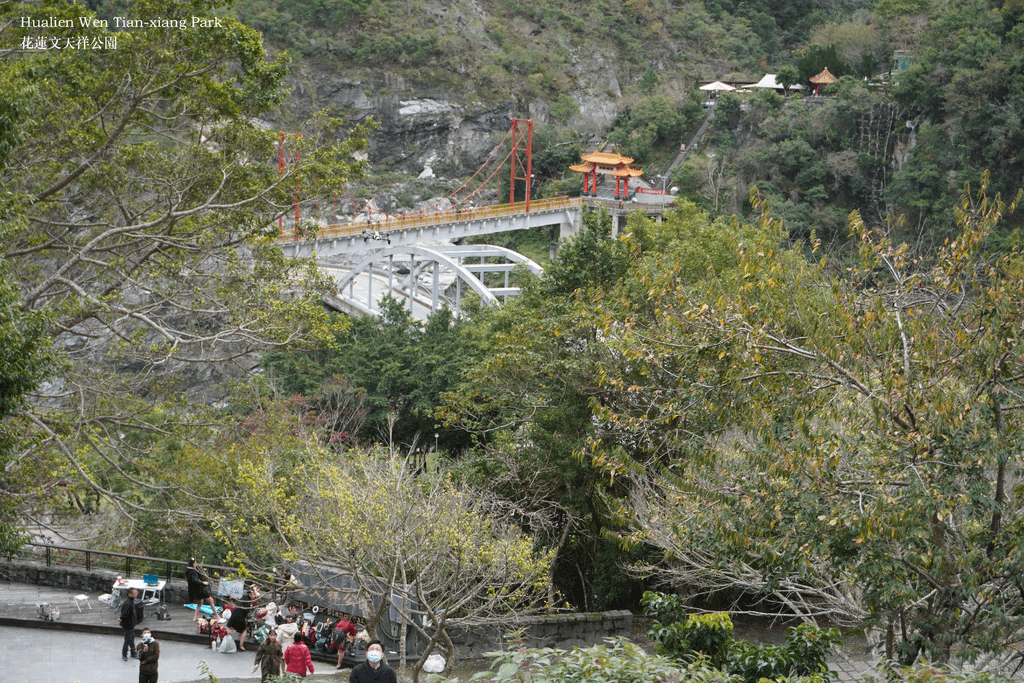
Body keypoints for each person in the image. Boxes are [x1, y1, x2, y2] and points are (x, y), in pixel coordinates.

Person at [228, 584, 259, 651]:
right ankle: (241, 646)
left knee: (238, 627)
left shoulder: (244, 597)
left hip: (236, 612)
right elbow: (257, 595)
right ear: (251, 594)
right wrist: (254, 589)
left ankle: (238, 641)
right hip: (240, 615)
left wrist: (253, 588)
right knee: (244, 630)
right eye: (253, 594)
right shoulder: (248, 600)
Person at [119, 588, 138, 661]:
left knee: (131, 639)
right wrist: (121, 619)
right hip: (128, 625)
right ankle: (124, 654)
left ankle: (133, 653)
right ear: (130, 594)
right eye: (135, 593)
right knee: (127, 640)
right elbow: (124, 615)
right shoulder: (127, 603)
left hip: (131, 624)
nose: (136, 594)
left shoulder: (131, 601)